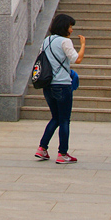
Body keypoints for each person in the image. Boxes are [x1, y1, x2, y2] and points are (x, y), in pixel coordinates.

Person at [35, 13, 85, 164]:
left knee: (56, 118)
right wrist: (83, 45)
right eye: (70, 27)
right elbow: (77, 59)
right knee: (64, 120)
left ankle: (42, 148)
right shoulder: (65, 42)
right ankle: (62, 153)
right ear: (65, 27)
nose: (71, 30)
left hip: (48, 85)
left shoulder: (46, 41)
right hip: (62, 85)